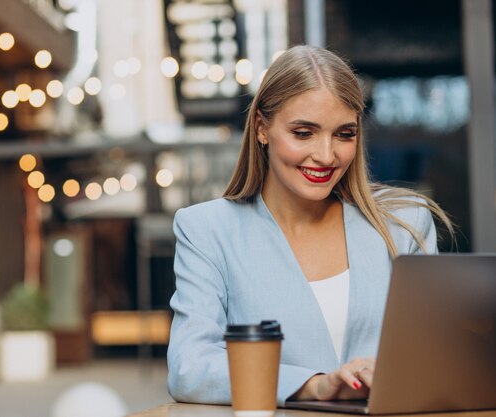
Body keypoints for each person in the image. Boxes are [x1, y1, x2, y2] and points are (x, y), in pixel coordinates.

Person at [166, 45, 454, 406]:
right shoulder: (207, 230)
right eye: (304, 133)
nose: (326, 155)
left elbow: (439, 354)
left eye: (344, 134)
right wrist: (315, 385)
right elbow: (189, 368)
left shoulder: (404, 222)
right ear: (262, 129)